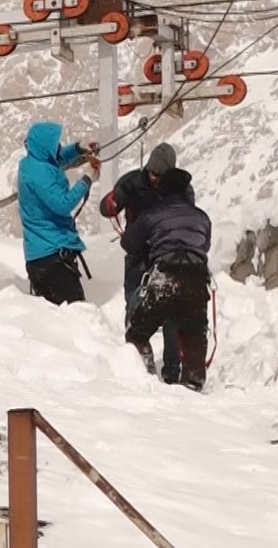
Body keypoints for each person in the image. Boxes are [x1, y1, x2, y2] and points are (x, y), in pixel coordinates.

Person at [122, 165, 213, 391]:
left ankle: (144, 376)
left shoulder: (153, 214)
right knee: (194, 331)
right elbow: (205, 246)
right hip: (196, 282)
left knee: (138, 331)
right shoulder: (202, 218)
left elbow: (129, 243)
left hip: (165, 277)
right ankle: (193, 379)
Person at [99, 142, 182, 382]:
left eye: (160, 175)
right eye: (152, 173)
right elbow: (106, 207)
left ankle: (172, 371)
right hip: (137, 255)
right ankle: (136, 364)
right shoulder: (132, 182)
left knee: (169, 313)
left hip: (165, 257)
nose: (155, 178)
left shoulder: (177, 188)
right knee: (134, 307)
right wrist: (112, 203)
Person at [16, 120, 98, 305]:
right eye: (56, 144)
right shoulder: (40, 174)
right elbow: (63, 204)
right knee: (75, 317)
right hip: (52, 259)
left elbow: (57, 159)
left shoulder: (31, 163)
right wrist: (87, 180)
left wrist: (78, 149)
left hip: (41, 256)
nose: (59, 147)